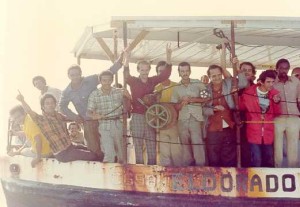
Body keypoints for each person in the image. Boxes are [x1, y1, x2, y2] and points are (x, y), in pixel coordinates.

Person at [59, 56, 123, 158]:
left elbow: (109, 72)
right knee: (93, 148)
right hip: (88, 122)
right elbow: (62, 106)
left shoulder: (91, 79)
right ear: (68, 76)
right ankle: (99, 166)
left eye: (77, 74)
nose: (75, 77)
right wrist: (75, 117)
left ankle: (114, 164)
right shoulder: (66, 92)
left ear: (81, 73)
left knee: (110, 146)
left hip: (104, 118)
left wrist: (120, 61)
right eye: (72, 75)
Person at [17, 92, 100, 163]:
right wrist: (22, 100)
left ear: (55, 104)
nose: (50, 105)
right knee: (92, 156)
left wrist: (88, 117)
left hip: (70, 146)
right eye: (47, 103)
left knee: (92, 150)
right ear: (43, 106)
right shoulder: (41, 119)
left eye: (52, 103)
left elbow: (72, 118)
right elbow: (29, 111)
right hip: (62, 154)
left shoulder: (58, 115)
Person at [124, 46, 172, 165]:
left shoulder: (152, 80)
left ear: (149, 70)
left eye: (146, 70)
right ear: (138, 70)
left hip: (151, 116)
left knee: (151, 144)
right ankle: (139, 167)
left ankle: (152, 167)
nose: (144, 72)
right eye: (142, 70)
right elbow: (126, 75)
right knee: (138, 144)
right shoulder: (133, 81)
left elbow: (165, 75)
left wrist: (169, 58)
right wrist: (126, 59)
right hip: (137, 116)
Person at [203, 64, 247, 167]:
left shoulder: (228, 83)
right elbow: (202, 109)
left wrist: (237, 68)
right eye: (213, 76)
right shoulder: (205, 89)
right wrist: (213, 109)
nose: (217, 78)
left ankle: (228, 182)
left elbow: (244, 83)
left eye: (219, 74)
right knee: (213, 159)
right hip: (212, 130)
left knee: (229, 158)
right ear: (209, 77)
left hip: (229, 127)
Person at [87, 70, 131, 163]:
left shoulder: (119, 92)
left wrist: (129, 96)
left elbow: (128, 108)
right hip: (104, 126)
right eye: (104, 80)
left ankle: (122, 175)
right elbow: (88, 112)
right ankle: (106, 175)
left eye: (109, 80)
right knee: (109, 154)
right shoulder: (94, 94)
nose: (107, 83)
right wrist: (95, 116)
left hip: (118, 125)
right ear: (100, 81)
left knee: (121, 154)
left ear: (112, 80)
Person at [240, 70, 281, 167]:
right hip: (253, 131)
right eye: (268, 82)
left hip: (268, 132)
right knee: (256, 159)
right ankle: (255, 181)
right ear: (261, 82)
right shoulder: (248, 94)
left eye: (273, 82)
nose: (271, 84)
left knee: (269, 158)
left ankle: (268, 181)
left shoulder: (274, 94)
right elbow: (241, 108)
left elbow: (277, 113)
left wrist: (276, 103)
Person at [171, 62, 209, 166]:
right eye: (182, 71)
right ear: (179, 72)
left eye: (186, 71)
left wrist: (191, 99)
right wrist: (182, 103)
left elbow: (206, 98)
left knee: (197, 143)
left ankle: (200, 166)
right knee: (185, 144)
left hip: (196, 119)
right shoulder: (176, 88)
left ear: (190, 71)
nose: (185, 73)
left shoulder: (198, 83)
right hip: (182, 120)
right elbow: (175, 107)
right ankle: (187, 167)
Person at [154, 60, 182, 167]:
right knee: (164, 151)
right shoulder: (155, 88)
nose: (162, 74)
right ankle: (165, 172)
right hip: (161, 124)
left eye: (164, 71)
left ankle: (178, 171)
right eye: (160, 71)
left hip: (175, 123)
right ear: (157, 73)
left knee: (176, 150)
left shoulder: (176, 86)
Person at [273, 59, 300, 167]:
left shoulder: (296, 81)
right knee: (277, 146)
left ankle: (292, 170)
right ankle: (277, 169)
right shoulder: (272, 82)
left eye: (286, 68)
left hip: (294, 117)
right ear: (277, 69)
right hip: (277, 118)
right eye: (281, 68)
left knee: (293, 146)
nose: (284, 70)